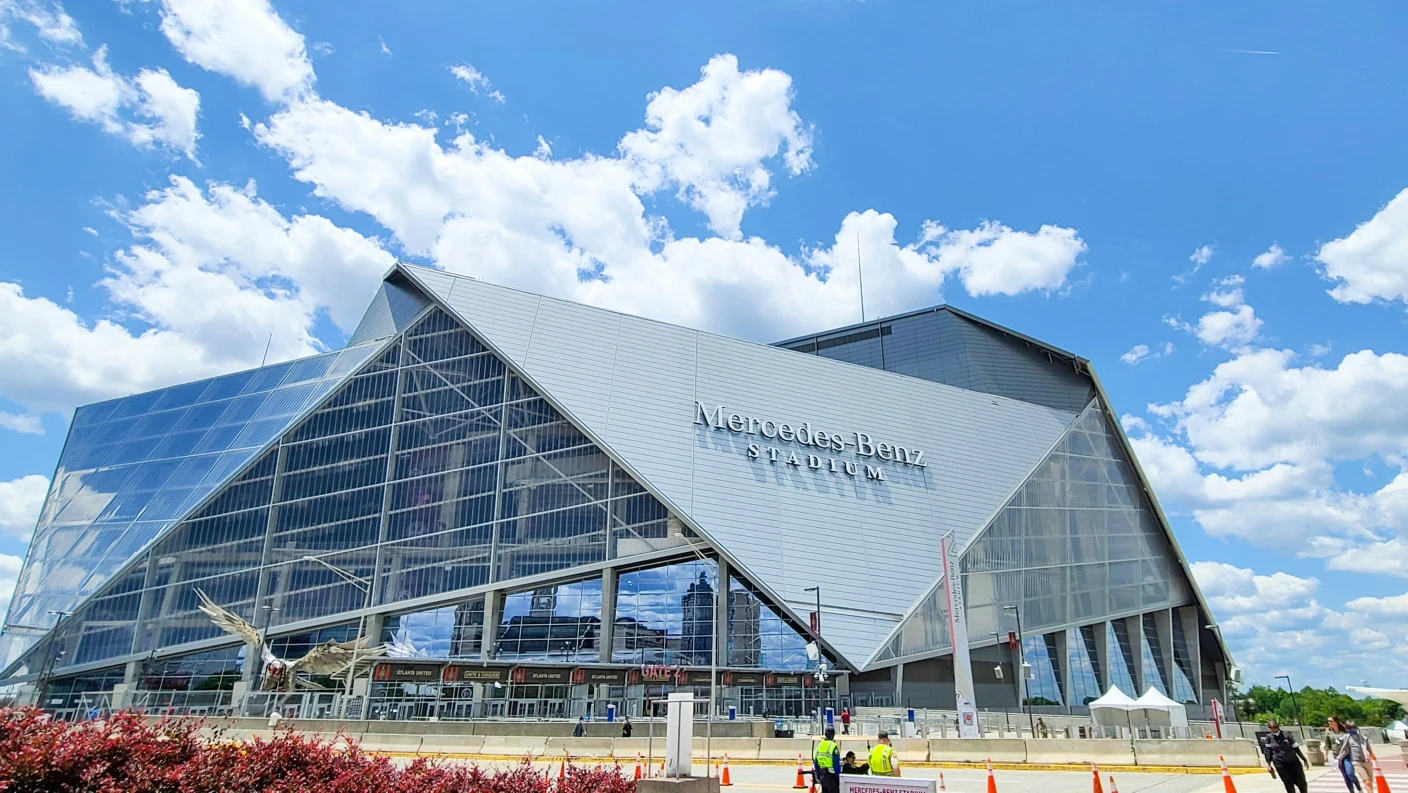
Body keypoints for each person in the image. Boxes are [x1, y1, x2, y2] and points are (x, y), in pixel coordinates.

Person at [1261, 717, 1310, 793]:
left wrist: (1304, 759)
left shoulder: (1287, 735)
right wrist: (1269, 765)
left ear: (1278, 726)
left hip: (1293, 762)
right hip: (1280, 763)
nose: (1273, 729)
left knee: (1301, 782)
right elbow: (1268, 752)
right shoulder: (1269, 737)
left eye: (1275, 727)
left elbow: (1296, 748)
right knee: (1288, 783)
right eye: (1271, 728)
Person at [1338, 721, 1374, 793]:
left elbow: (1371, 752)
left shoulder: (1363, 739)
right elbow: (1346, 750)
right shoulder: (1347, 739)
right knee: (1367, 781)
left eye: (1353, 728)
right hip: (1356, 762)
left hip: (1366, 762)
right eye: (1350, 729)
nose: (1352, 730)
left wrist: (1369, 757)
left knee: (1370, 782)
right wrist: (1339, 757)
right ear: (1347, 729)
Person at [1326, 717, 1359, 793]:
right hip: (1337, 756)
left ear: (1336, 722)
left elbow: (1351, 743)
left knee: (1350, 773)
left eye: (1331, 721)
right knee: (1345, 776)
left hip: (1347, 755)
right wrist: (1326, 754)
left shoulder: (1344, 731)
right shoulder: (1328, 731)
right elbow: (1327, 743)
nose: (1329, 722)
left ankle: (1359, 788)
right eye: (1328, 721)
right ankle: (1351, 791)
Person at [813, 727, 841, 793]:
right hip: (831, 777)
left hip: (822, 776)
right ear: (833, 735)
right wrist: (838, 778)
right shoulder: (833, 746)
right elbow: (836, 765)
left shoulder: (819, 745)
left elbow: (816, 763)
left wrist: (818, 776)